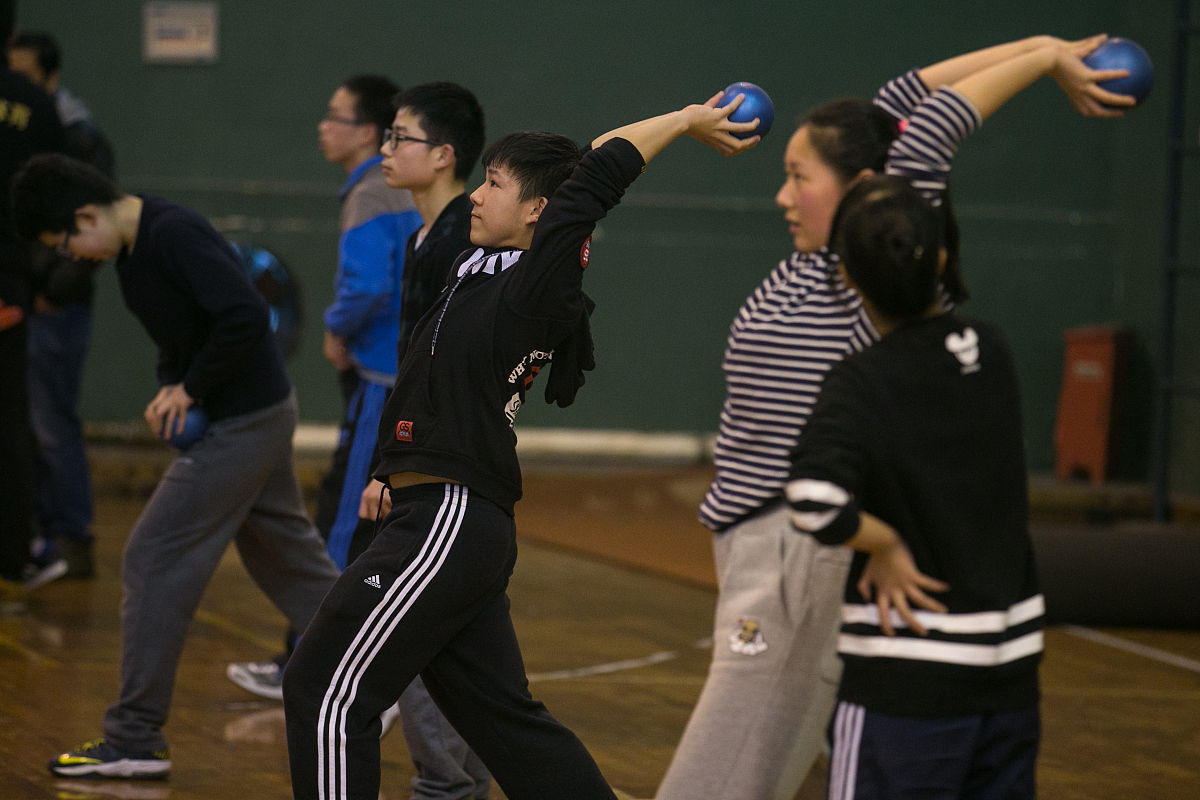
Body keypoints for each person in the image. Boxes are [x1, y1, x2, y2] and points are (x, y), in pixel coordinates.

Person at [656, 34, 1134, 800]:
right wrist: (1038, 47)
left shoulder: (860, 273)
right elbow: (902, 94)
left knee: (717, 783)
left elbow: (937, 122)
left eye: (797, 177)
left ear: (866, 189)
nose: (782, 196)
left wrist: (1048, 58)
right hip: (762, 553)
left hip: (797, 552)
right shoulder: (820, 257)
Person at [281, 94, 760, 800]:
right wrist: (387, 470)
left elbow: (599, 169)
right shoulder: (471, 270)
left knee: (324, 689)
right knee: (508, 724)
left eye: (494, 185)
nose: (476, 196)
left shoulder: (537, 283)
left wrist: (687, 120)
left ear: (539, 212)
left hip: (449, 518)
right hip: (440, 514)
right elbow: (424, 376)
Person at [11, 153, 343, 780]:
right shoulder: (132, 258)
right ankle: (392, 677)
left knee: (151, 556)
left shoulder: (173, 233)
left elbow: (246, 317)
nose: (72, 256)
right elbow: (178, 339)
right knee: (294, 568)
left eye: (67, 242)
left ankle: (134, 735)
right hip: (244, 416)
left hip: (246, 419)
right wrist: (172, 386)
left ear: (86, 214)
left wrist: (190, 388)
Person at [231, 79, 495, 800]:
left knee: (385, 640)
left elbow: (442, 373)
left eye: (400, 137)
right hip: (422, 471)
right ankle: (453, 781)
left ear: (444, 155)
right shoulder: (423, 236)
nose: (387, 149)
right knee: (462, 655)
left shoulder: (461, 245)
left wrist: (399, 466)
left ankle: (447, 782)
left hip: (444, 488)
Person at [785, 174, 1042, 798]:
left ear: (846, 277)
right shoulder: (994, 349)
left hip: (906, 682)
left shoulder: (860, 380)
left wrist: (884, 545)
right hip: (1010, 676)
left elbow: (812, 499)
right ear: (944, 258)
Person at [227, 73, 420, 699]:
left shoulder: (371, 193)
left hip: (378, 379)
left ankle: (311, 667)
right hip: (398, 374)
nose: (322, 125)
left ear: (367, 132)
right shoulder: (399, 192)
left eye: (334, 116)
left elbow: (367, 287)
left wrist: (337, 329)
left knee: (343, 521)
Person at [8, 29, 117, 582]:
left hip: (56, 306)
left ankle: (73, 537)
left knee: (52, 423)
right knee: (29, 422)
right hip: (30, 301)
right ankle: (41, 536)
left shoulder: (78, 136)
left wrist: (52, 290)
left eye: (26, 76)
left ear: (51, 78)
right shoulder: (31, 130)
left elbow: (97, 229)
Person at [0, 0, 65, 611]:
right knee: (10, 421)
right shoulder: (36, 104)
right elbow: (57, 198)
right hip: (8, 288)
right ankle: (16, 557)